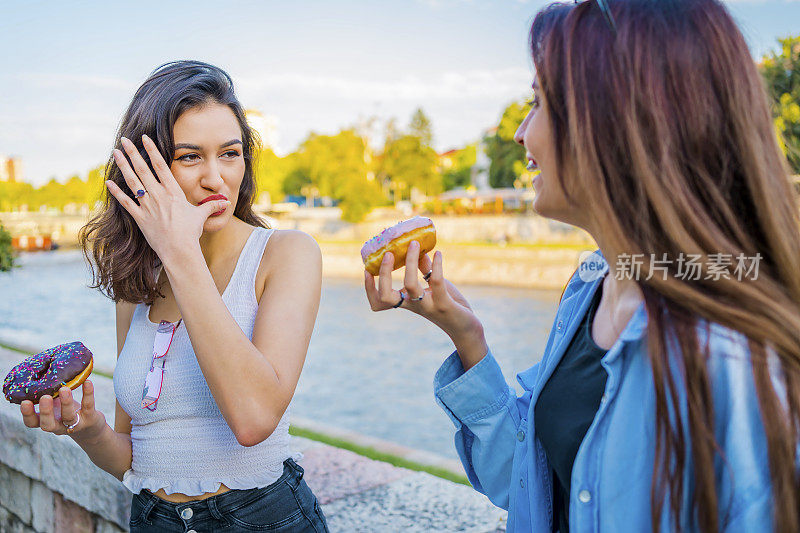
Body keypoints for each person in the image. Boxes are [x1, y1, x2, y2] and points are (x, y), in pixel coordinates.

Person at [365, 1, 800, 531]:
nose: (521, 134)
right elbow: (529, 487)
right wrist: (467, 337)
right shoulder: (592, 286)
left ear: (618, 120)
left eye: (538, 102)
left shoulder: (735, 359)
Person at [19, 60, 329, 532]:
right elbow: (134, 456)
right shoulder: (137, 286)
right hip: (153, 520)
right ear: (144, 171)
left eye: (230, 153)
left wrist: (181, 254)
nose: (216, 178)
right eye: (189, 157)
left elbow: (253, 419)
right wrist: (87, 428)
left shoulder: (285, 255)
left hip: (262, 518)